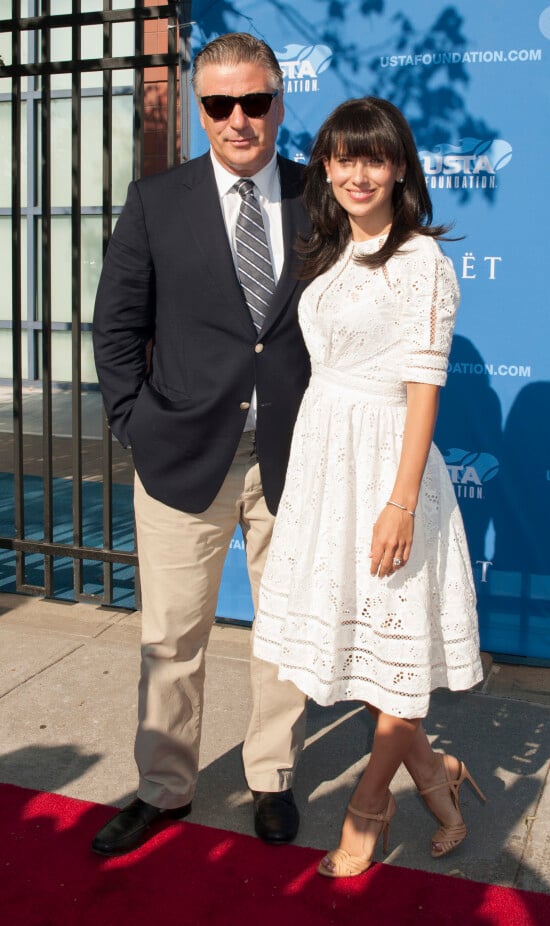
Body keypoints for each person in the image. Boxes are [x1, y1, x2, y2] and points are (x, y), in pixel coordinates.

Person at [252, 97, 486, 879]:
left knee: (396, 651)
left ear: (400, 170)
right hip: (327, 467)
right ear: (325, 166)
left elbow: (423, 389)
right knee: (351, 646)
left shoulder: (422, 262)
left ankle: (369, 802)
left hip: (387, 469)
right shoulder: (326, 254)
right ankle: (436, 775)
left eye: (374, 158)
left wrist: (399, 501)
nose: (358, 173)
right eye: (343, 158)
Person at [91, 33, 310, 856]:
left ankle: (273, 777)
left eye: (254, 101)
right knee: (171, 636)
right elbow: (115, 328)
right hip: (182, 454)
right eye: (219, 104)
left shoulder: (318, 193)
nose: (238, 120)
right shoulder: (157, 200)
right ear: (199, 108)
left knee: (285, 632)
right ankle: (165, 786)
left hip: (293, 458)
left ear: (279, 102)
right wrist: (134, 425)